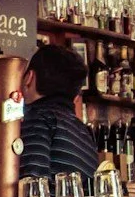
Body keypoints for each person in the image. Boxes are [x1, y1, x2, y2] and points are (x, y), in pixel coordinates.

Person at [18, 43, 104, 189]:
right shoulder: (86, 134)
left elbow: (32, 190)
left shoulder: (39, 118)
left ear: (29, 78)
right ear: (76, 96)